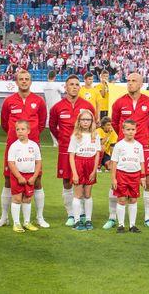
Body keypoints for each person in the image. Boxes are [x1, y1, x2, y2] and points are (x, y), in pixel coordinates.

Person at [0, 69, 48, 228]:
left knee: (37, 180)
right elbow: (5, 123)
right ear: (16, 82)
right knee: (8, 180)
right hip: (13, 146)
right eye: (21, 79)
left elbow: (42, 122)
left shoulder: (39, 101)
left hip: (33, 147)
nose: (24, 81)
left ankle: (39, 217)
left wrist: (32, 138)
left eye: (27, 79)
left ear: (30, 82)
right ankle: (4, 217)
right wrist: (14, 136)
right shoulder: (9, 101)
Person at [107, 72, 149, 229]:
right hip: (123, 147)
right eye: (128, 81)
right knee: (115, 182)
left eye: (134, 81)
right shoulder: (119, 103)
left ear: (141, 84)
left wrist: (141, 136)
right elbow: (115, 123)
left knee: (148, 182)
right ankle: (112, 217)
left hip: (143, 146)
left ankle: (148, 218)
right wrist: (124, 137)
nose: (130, 83)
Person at [48, 75, 96, 227]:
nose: (74, 87)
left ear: (79, 87)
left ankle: (81, 212)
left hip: (84, 153)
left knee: (83, 181)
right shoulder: (57, 107)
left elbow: (93, 126)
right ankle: (70, 214)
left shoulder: (88, 106)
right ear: (65, 87)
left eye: (76, 84)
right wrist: (62, 139)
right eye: (71, 84)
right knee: (67, 182)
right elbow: (52, 126)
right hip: (65, 150)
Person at [68, 110, 102, 230]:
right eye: (83, 120)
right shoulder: (75, 135)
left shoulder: (96, 135)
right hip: (79, 163)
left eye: (88, 120)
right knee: (78, 194)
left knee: (87, 194)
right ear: (79, 121)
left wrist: (94, 170)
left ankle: (88, 219)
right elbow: (71, 155)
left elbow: (97, 153)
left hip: (90, 164)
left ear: (92, 121)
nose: (86, 122)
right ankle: (77, 221)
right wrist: (75, 173)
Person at [110, 119, 145, 233]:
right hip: (122, 175)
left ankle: (132, 225)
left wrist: (142, 176)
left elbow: (142, 162)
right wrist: (113, 178)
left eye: (133, 129)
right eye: (128, 129)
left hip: (135, 176)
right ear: (123, 130)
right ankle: (121, 225)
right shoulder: (119, 145)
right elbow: (114, 162)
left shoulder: (139, 146)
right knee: (121, 200)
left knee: (133, 200)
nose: (130, 132)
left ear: (136, 131)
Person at [7, 120, 43, 233]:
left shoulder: (34, 145)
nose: (20, 131)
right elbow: (11, 163)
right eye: (18, 129)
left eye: (23, 129)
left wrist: (34, 177)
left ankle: (26, 222)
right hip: (18, 176)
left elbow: (38, 162)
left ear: (28, 131)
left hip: (30, 176)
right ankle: (16, 223)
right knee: (17, 199)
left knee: (27, 199)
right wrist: (18, 177)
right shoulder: (14, 146)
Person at [43, 71, 63, 145]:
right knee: (60, 125)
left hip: (49, 107)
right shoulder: (56, 85)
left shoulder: (44, 86)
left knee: (52, 125)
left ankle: (55, 142)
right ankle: (60, 141)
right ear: (55, 77)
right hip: (58, 107)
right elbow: (64, 91)